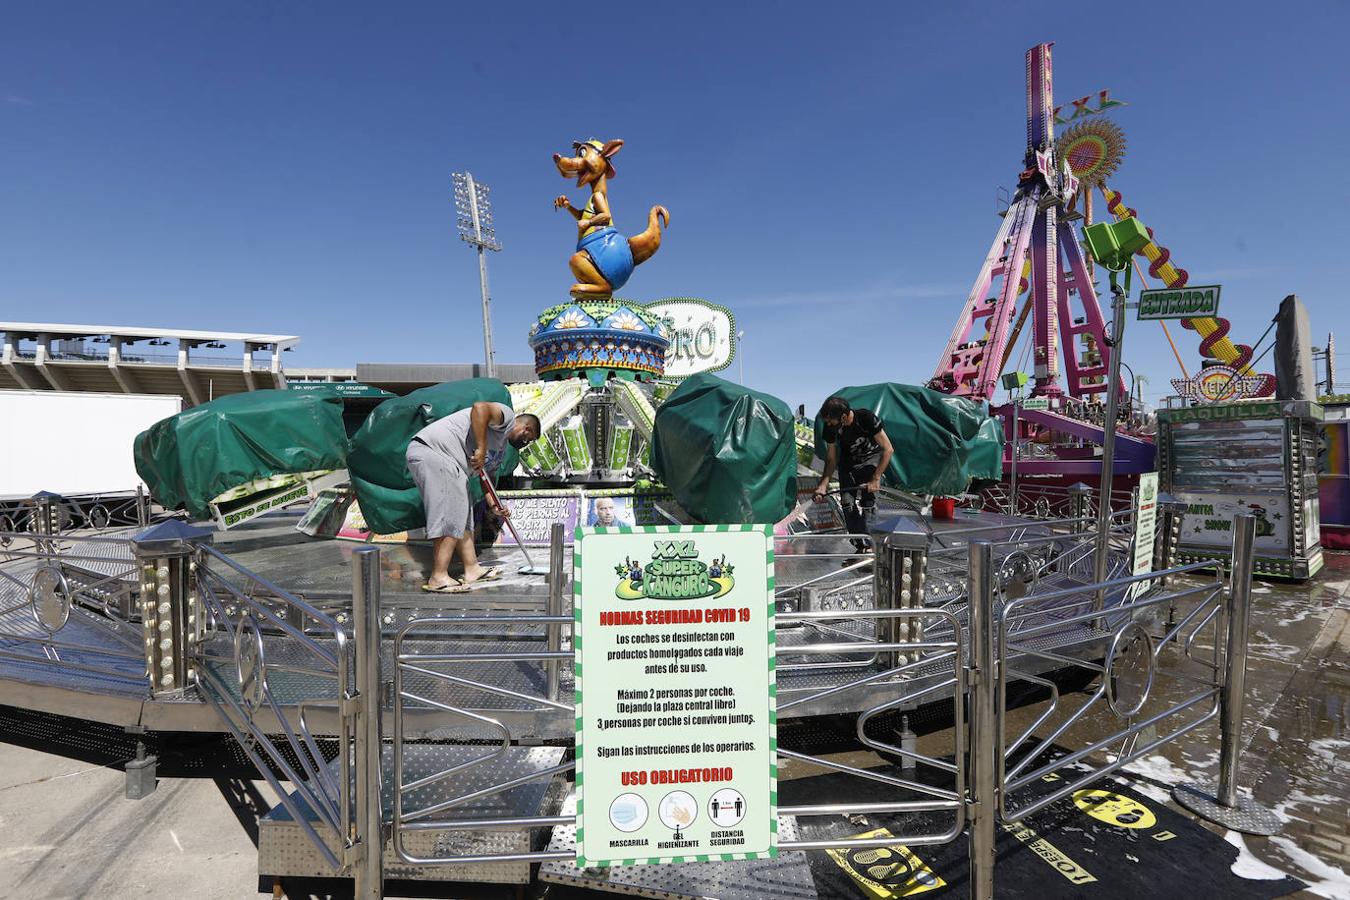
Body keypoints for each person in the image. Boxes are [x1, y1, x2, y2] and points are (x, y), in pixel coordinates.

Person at [405, 402, 540, 592]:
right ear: (527, 428)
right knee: (449, 512)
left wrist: (494, 504)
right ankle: (439, 577)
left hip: (452, 462)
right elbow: (480, 408)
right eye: (528, 438)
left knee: (462, 512)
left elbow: (486, 477)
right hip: (436, 451)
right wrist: (481, 447)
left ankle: (472, 569)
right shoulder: (507, 417)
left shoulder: (500, 448)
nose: (525, 443)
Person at [813, 396, 894, 555]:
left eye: (831, 421)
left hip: (870, 461)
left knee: (868, 502)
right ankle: (859, 544)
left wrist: (876, 478)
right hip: (848, 464)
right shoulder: (830, 428)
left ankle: (871, 543)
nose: (828, 425)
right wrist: (823, 485)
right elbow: (831, 458)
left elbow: (888, 449)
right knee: (847, 503)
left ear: (843, 417)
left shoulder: (866, 418)